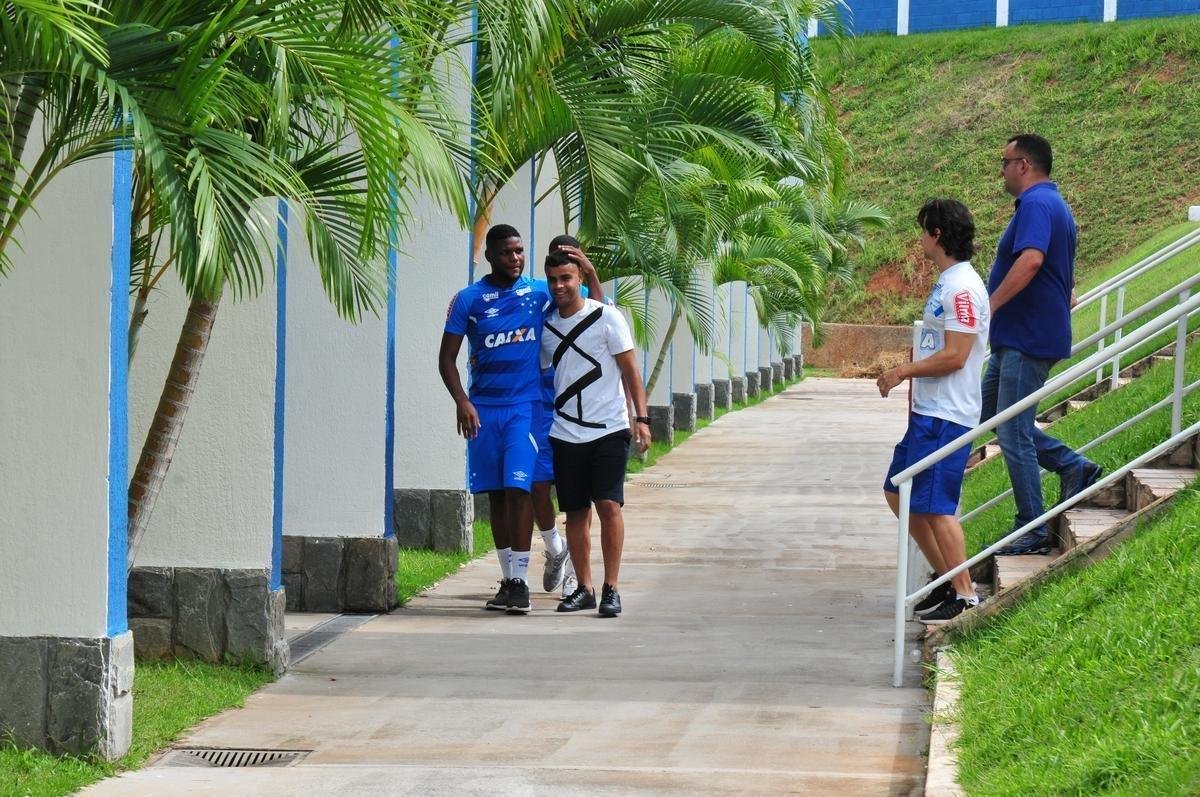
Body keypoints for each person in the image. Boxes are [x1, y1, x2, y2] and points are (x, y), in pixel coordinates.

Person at [438, 224, 601, 614]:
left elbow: (593, 310)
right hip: (484, 410)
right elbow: (446, 359)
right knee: (496, 494)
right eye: (507, 252)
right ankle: (510, 581)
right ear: (490, 256)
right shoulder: (467, 299)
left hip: (525, 409)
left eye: (520, 251)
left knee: (520, 489)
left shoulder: (539, 292)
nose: (515, 258)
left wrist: (589, 272)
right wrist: (462, 401)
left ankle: (523, 582)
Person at [984, 133, 1102, 556]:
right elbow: (1062, 275)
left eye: (1004, 162)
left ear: (1023, 165)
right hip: (1018, 337)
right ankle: (1073, 466)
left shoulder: (1036, 204)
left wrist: (989, 306)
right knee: (991, 416)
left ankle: (1031, 528)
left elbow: (1033, 259)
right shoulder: (1054, 204)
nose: (1001, 170)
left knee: (1013, 431)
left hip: (1026, 339)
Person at [878, 199, 989, 622]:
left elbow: (957, 355)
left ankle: (965, 595)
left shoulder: (963, 288)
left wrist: (902, 371)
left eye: (923, 230)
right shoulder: (948, 282)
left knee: (937, 506)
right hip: (929, 412)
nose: (920, 239)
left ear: (937, 234)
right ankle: (947, 578)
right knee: (898, 492)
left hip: (948, 414)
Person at [541, 249, 650, 616]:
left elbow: (631, 370)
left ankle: (611, 588)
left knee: (608, 505)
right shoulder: (546, 328)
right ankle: (584, 587)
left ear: (580, 279)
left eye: (566, 278)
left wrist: (642, 419)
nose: (559, 286)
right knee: (574, 513)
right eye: (553, 279)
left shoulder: (606, 317)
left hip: (609, 428)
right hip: (565, 432)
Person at [532, 234, 599, 600]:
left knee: (578, 501)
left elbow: (603, 317)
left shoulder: (587, 298)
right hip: (543, 408)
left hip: (579, 415)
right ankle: (555, 547)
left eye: (570, 264)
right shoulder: (543, 295)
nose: (559, 284)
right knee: (537, 487)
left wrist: (592, 272)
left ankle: (576, 574)